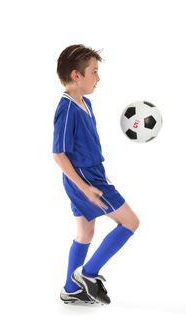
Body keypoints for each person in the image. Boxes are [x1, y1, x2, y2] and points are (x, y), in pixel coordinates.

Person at [53, 44, 140, 305]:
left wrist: (101, 172)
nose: (98, 78)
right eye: (94, 71)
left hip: (93, 175)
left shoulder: (85, 103)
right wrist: (85, 187)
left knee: (85, 233)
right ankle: (88, 275)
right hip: (86, 181)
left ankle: (71, 287)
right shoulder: (66, 109)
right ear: (76, 75)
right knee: (130, 222)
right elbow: (59, 154)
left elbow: (86, 144)